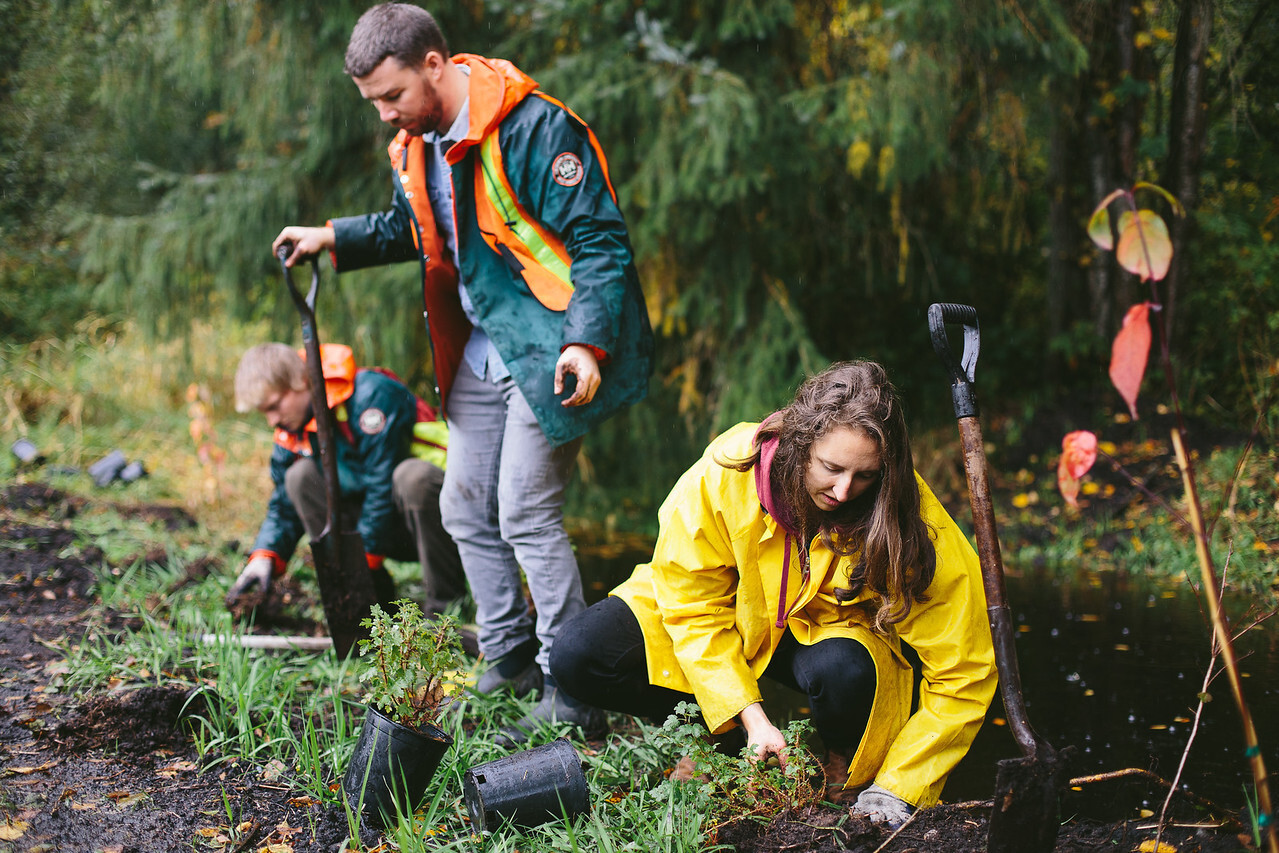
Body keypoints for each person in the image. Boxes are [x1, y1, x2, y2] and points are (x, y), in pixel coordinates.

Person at [271, 4, 653, 743]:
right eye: (374, 102)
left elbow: (599, 241)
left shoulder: (537, 127)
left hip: (548, 348)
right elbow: (413, 230)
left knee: (524, 508)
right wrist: (332, 237)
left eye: (392, 96)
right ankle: (507, 653)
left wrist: (585, 344)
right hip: (479, 350)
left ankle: (572, 686)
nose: (386, 115)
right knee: (464, 506)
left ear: (434, 66)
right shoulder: (415, 145)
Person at [550, 361, 997, 828]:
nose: (845, 490)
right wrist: (749, 716)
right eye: (832, 468)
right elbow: (693, 606)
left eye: (865, 475)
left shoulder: (907, 516)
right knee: (578, 653)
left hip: (822, 631)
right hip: (728, 612)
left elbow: (964, 670)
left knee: (844, 670)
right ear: (799, 443)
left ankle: (847, 767)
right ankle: (718, 738)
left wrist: (899, 784)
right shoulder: (726, 470)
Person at [226, 342, 466, 619]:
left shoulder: (371, 395)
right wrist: (264, 556)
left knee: (412, 477)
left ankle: (446, 609)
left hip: (434, 523)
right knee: (298, 478)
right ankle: (367, 602)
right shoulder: (292, 429)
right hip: (375, 525)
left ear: (302, 382)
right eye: (263, 412)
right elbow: (283, 502)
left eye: (275, 406)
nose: (271, 420)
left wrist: (361, 559)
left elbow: (382, 483)